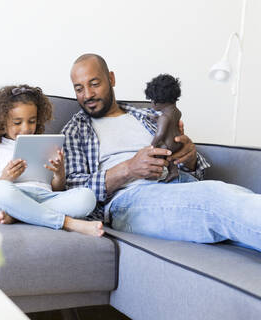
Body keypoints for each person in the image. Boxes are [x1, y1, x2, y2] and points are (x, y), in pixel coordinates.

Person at [62, 53, 261, 250]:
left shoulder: (150, 115)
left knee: (236, 204)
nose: (87, 94)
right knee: (217, 199)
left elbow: (196, 173)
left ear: (111, 78)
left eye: (94, 84)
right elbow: (73, 191)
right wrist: (129, 169)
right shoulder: (75, 130)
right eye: (79, 89)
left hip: (183, 184)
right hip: (131, 199)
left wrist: (189, 158)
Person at [0, 84, 104, 237]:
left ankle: (19, 215)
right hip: (12, 196)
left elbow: (56, 189)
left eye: (32, 121)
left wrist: (59, 173)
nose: (26, 128)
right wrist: (4, 179)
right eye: (17, 122)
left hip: (45, 197)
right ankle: (68, 223)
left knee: (87, 197)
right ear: (2, 122)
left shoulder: (46, 145)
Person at [145, 73, 183, 182]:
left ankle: (155, 173)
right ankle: (174, 171)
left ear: (158, 101)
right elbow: (170, 123)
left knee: (159, 153)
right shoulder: (176, 112)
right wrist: (156, 119)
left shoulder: (164, 117)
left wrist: (152, 145)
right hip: (177, 142)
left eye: (151, 100)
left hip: (168, 144)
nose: (151, 103)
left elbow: (160, 134)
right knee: (172, 158)